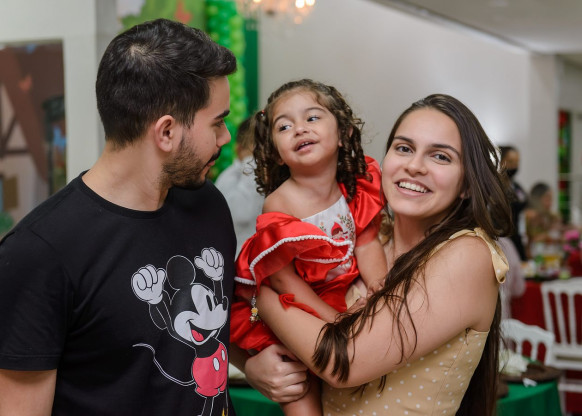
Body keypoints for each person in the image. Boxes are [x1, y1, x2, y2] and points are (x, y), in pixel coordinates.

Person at [0, 19, 308, 416]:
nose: (226, 138)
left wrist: (249, 363)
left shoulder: (207, 203)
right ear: (166, 133)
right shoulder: (39, 253)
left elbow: (199, 326)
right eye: (217, 122)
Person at [254, 93, 512, 416]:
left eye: (440, 157)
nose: (414, 166)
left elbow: (345, 363)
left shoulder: (467, 254)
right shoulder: (365, 238)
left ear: (467, 185)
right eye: (404, 148)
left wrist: (265, 296)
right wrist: (254, 367)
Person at [230, 79, 388, 415]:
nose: (299, 129)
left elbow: (367, 243)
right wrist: (333, 320)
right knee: (298, 389)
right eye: (284, 126)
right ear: (276, 152)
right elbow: (283, 280)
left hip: (342, 291)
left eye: (312, 118)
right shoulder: (280, 203)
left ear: (343, 133)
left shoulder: (356, 187)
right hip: (296, 305)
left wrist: (379, 290)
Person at [215, 117, 264, 256]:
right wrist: (251, 162)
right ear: (238, 150)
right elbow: (242, 214)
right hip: (239, 257)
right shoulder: (230, 177)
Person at [499, 145, 528, 261]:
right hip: (502, 238)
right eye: (511, 162)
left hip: (517, 237)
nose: (515, 166)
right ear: (501, 162)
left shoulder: (516, 186)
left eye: (517, 162)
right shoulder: (495, 186)